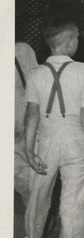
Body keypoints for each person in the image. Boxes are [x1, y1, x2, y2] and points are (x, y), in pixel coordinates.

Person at [23, 16, 84, 238]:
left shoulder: (36, 73)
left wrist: (29, 151)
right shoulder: (82, 70)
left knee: (38, 200)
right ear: (69, 43)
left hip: (45, 140)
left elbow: (32, 114)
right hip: (75, 139)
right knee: (74, 204)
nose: (78, 41)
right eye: (77, 38)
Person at [15, 41, 38, 210]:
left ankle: (37, 226)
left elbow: (36, 87)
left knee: (27, 182)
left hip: (21, 126)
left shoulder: (22, 50)